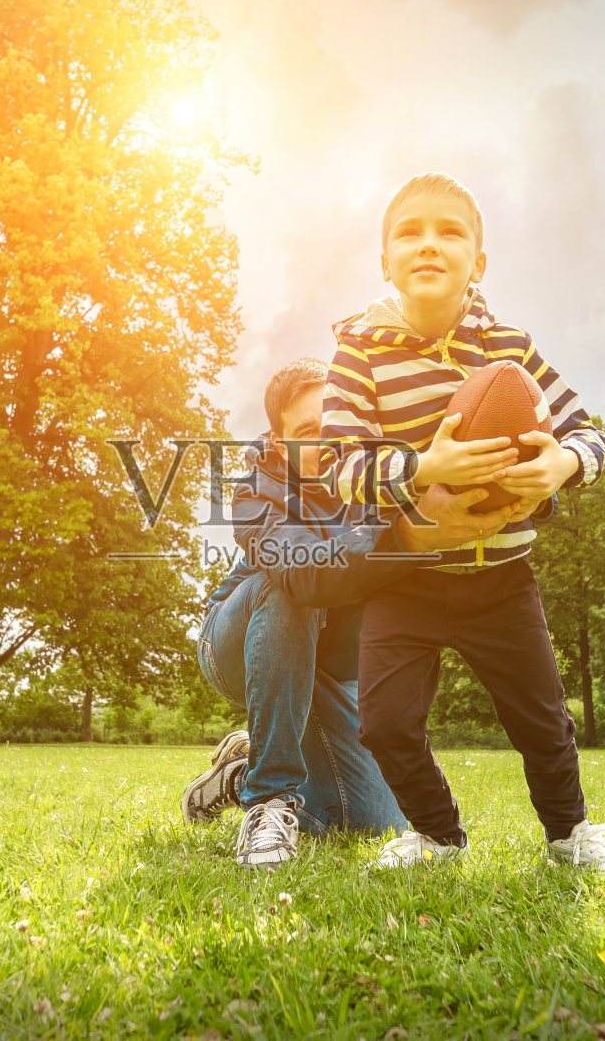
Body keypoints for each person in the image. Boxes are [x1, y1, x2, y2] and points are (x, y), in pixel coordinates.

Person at [320, 171, 605, 874]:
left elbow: (589, 431)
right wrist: (424, 467)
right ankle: (436, 835)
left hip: (501, 576)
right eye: (409, 232)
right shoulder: (358, 352)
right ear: (385, 263)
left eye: (449, 232)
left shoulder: (509, 347)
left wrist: (561, 466)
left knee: (542, 720)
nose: (428, 245)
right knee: (384, 722)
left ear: (479, 262)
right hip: (404, 578)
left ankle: (570, 834)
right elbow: (340, 465)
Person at [180, 357, 545, 869]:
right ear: (282, 446)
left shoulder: (384, 470)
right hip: (241, 643)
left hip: (328, 670)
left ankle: (242, 770)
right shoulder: (255, 488)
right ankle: (267, 797)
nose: (328, 443)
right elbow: (307, 576)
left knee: (371, 823)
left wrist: (525, 485)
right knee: (291, 587)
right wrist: (408, 537)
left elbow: (462, 491)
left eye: (333, 425)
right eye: (309, 433)